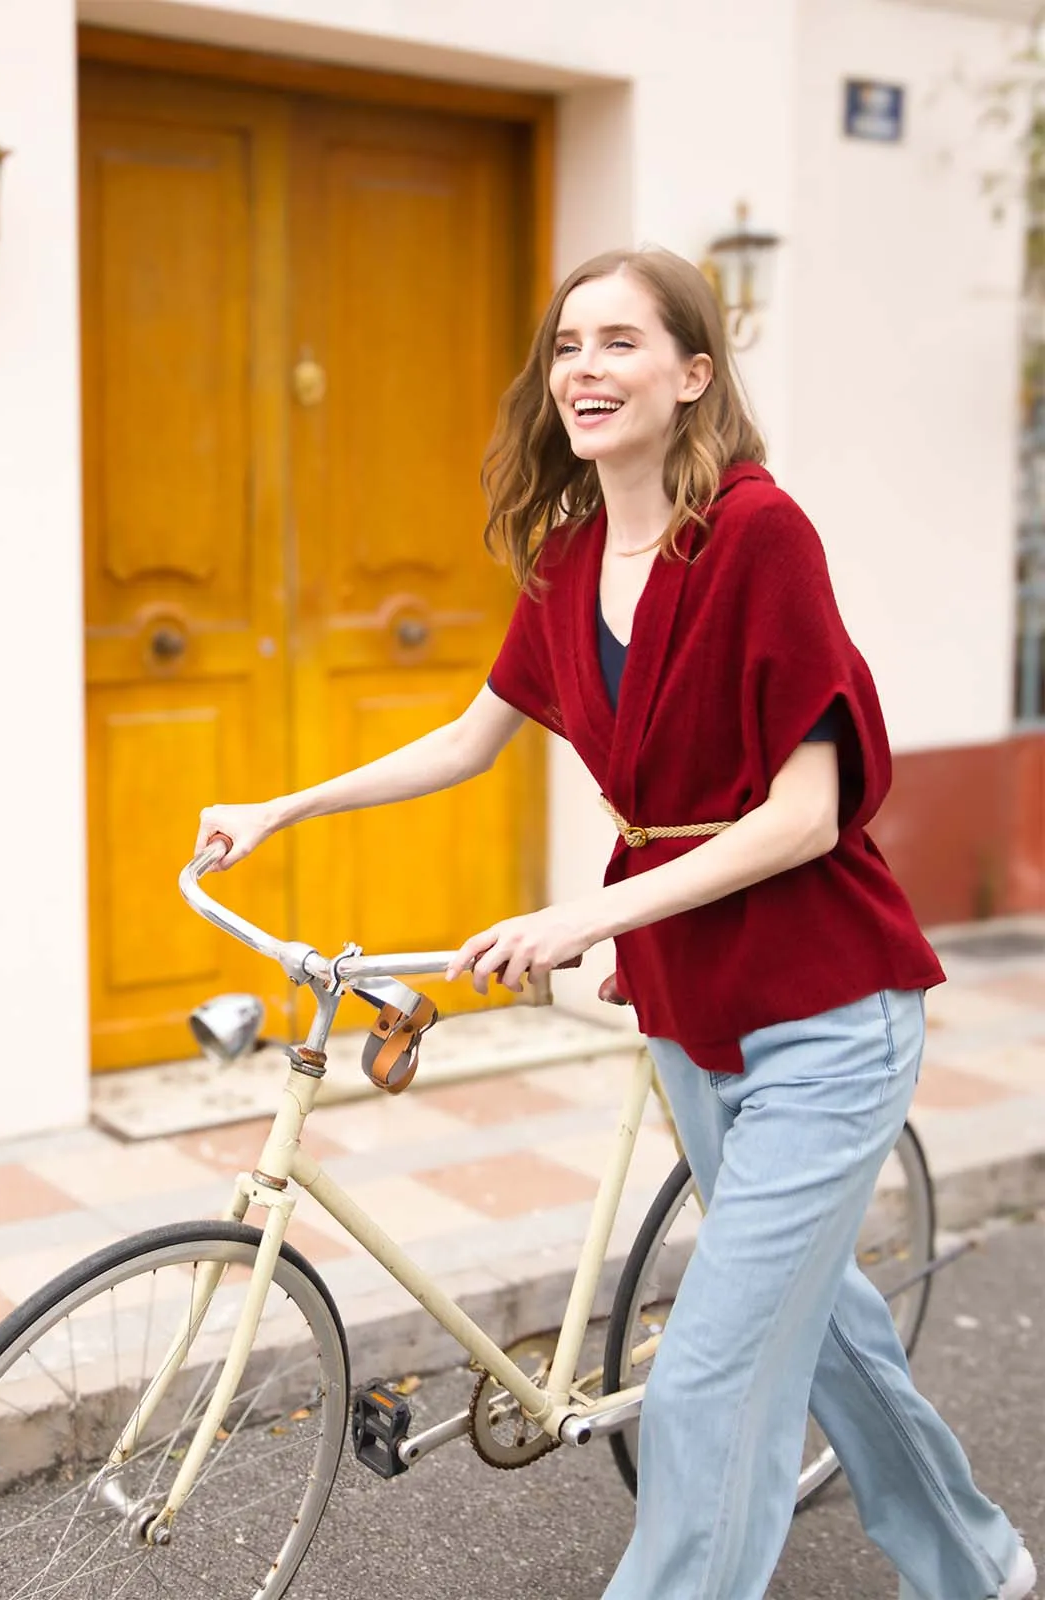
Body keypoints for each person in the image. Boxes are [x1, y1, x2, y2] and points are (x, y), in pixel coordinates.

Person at [195, 246, 1036, 1600]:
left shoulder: (758, 533)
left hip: (827, 1006)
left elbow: (805, 816)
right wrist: (282, 807)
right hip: (693, 1009)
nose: (583, 369)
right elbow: (469, 742)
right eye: (568, 345)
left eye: (621, 343)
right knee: (818, 1331)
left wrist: (581, 915)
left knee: (706, 1375)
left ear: (694, 375)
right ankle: (979, 1561)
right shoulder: (571, 554)